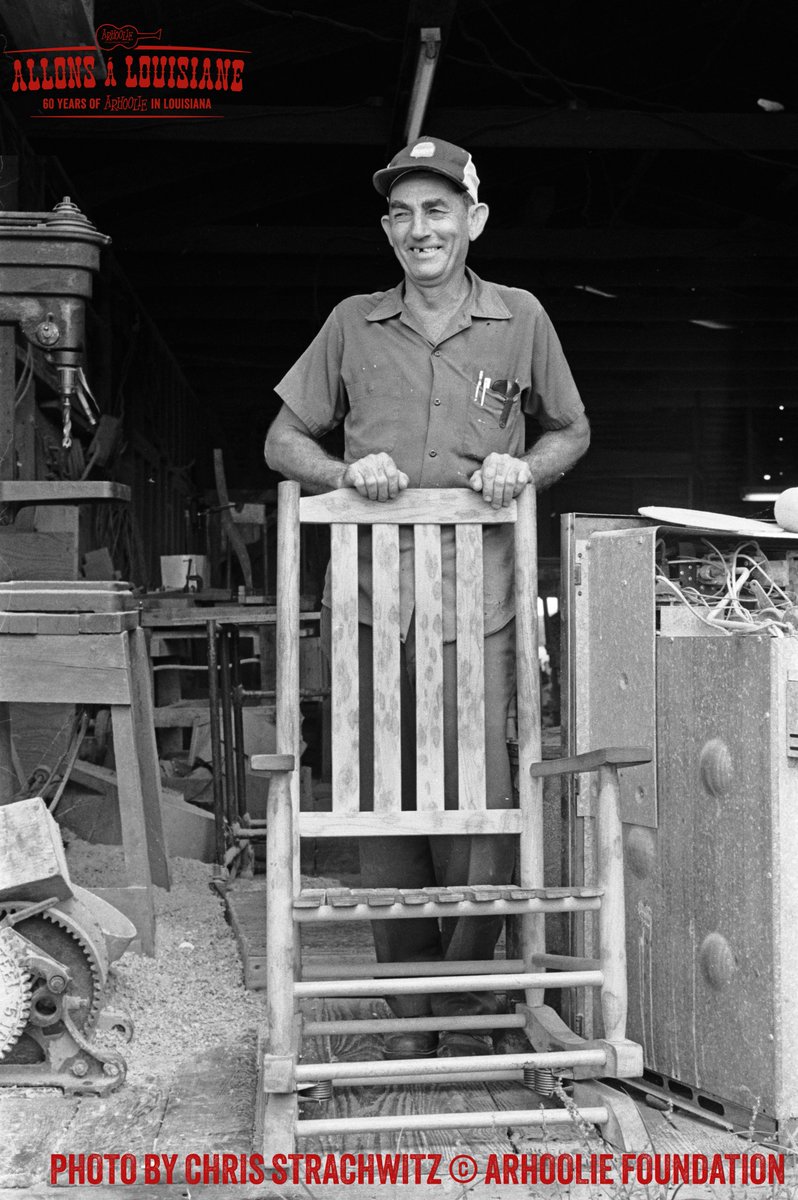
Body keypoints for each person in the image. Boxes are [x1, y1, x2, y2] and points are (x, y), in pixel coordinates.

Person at [264, 136, 590, 1060]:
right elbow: (282, 441)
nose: (421, 228)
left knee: (479, 811)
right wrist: (341, 466)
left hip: (479, 606)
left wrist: (520, 469)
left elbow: (573, 428)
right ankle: (413, 1019)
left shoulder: (520, 318)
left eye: (439, 209)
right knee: (382, 807)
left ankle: (467, 1002)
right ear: (387, 231)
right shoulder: (351, 324)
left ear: (474, 220)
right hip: (373, 609)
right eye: (404, 214)